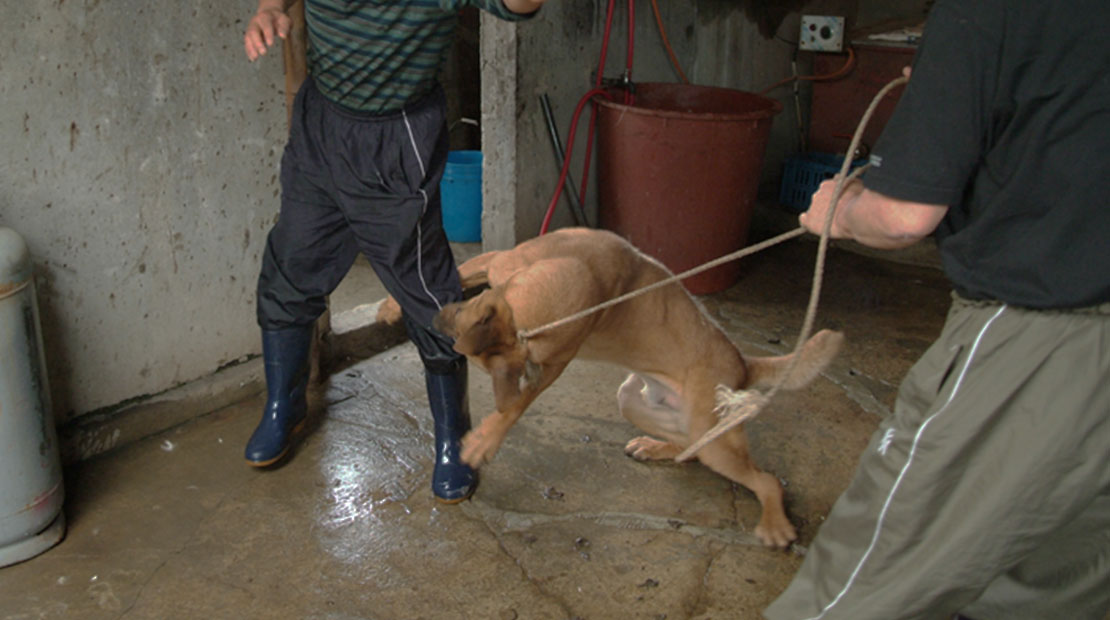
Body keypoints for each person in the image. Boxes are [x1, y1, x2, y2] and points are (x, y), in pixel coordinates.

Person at [765, 1, 1110, 618]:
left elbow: (902, 216)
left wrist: (837, 211)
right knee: (1058, 584)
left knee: (857, 587)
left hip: (1044, 334)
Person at [239, 0, 547, 504]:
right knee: (290, 264)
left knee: (428, 293)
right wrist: (270, 8)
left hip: (397, 138)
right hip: (321, 126)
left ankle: (454, 438)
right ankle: (284, 406)